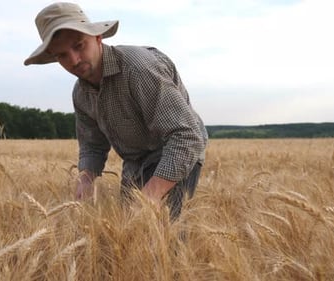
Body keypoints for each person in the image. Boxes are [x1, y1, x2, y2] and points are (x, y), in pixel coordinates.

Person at [24, 2, 208, 220]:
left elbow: (186, 137)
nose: (74, 60)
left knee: (165, 235)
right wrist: (86, 178)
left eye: (79, 46)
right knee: (129, 232)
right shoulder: (81, 93)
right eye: (62, 55)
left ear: (97, 38)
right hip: (134, 162)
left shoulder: (138, 69)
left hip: (173, 151)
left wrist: (151, 195)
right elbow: (92, 143)